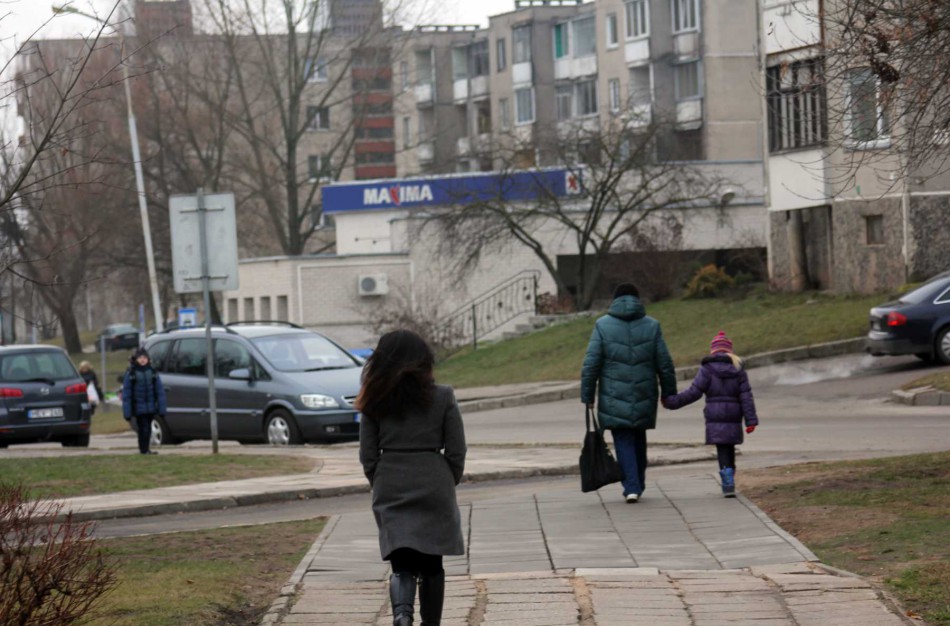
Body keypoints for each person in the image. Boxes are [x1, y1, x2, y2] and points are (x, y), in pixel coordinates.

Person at [357, 330, 466, 626]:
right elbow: (456, 449)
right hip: (434, 481)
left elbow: (368, 455)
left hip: (391, 479)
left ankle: (402, 615)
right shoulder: (443, 396)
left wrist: (380, 480)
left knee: (401, 562)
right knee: (432, 564)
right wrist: (446, 479)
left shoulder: (374, 400)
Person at [581, 283, 677, 503]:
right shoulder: (652, 326)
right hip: (644, 392)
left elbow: (591, 363)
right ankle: (637, 483)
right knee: (638, 438)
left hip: (614, 396)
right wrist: (669, 392)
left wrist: (588, 395)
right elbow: (665, 363)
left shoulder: (602, 325)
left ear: (615, 300)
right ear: (638, 300)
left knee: (623, 438)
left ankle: (632, 486)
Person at [662, 331, 759, 497]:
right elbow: (746, 397)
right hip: (733, 415)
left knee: (722, 447)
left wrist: (672, 402)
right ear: (730, 351)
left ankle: (727, 480)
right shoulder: (738, 369)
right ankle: (730, 477)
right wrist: (751, 420)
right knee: (730, 447)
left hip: (715, 415)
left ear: (713, 351)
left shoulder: (707, 369)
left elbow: (694, 392)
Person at [121, 347, 167, 455]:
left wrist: (162, 408)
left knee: (148, 429)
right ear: (136, 359)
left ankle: (146, 449)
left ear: (148, 359)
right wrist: (127, 412)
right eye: (140, 358)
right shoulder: (131, 373)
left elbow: (160, 391)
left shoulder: (152, 372)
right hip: (138, 408)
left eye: (144, 357)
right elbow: (127, 394)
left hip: (150, 407)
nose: (142, 360)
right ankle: (143, 449)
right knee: (143, 429)